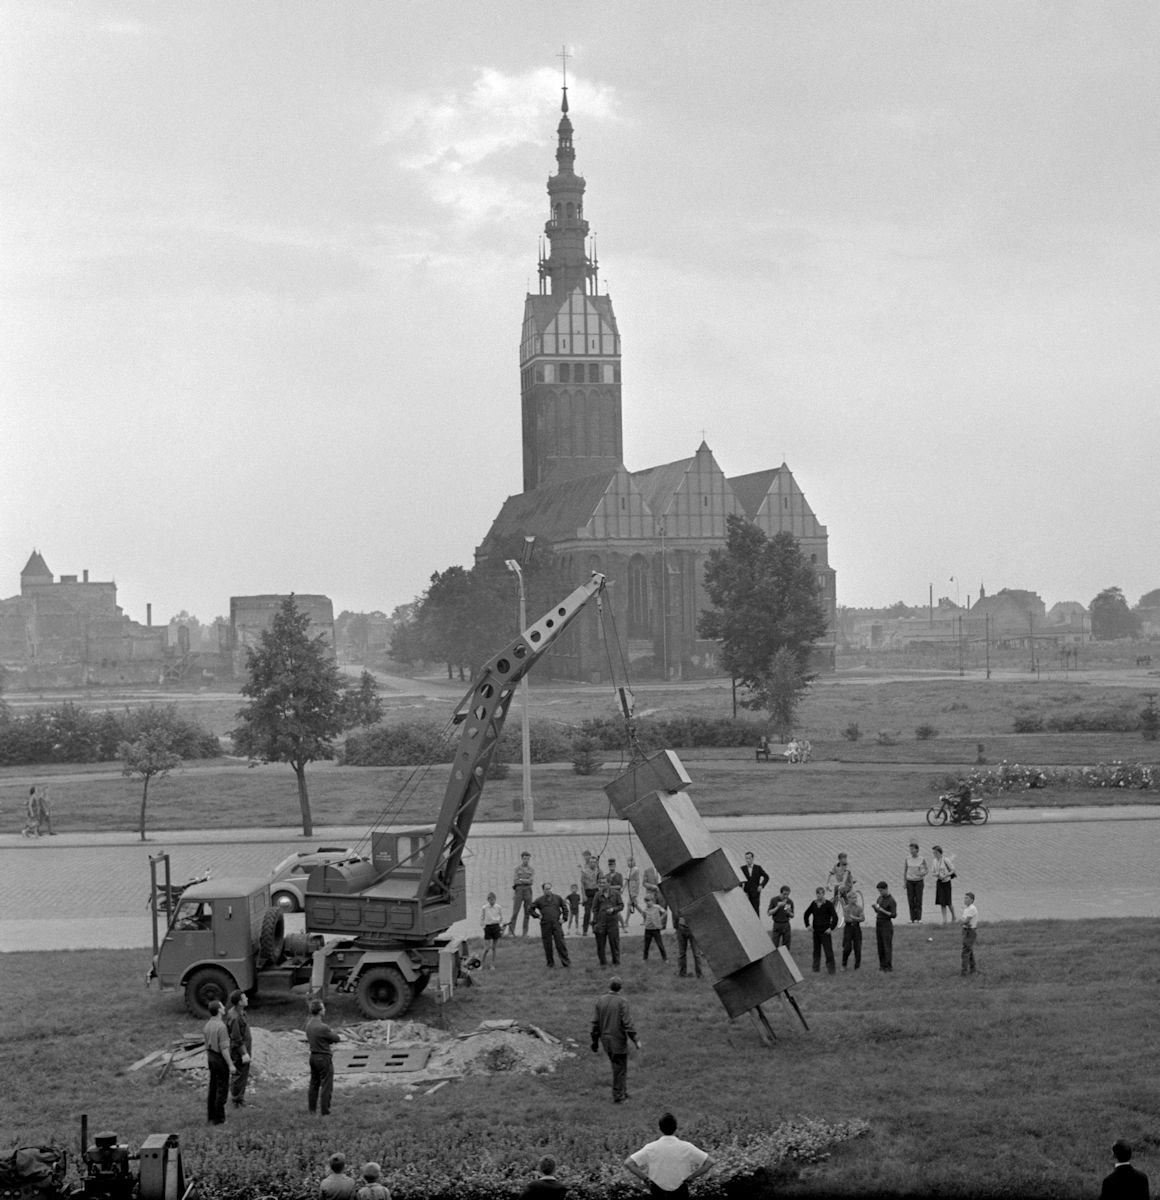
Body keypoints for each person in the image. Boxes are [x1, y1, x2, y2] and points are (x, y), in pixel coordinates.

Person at [624, 1111, 714, 1199]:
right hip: (681, 1191)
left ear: (660, 1128)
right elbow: (710, 1161)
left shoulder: (651, 1147)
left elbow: (629, 1163)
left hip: (657, 1192)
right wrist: (692, 1177)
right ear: (676, 1127)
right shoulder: (687, 1147)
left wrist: (646, 1180)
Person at [590, 976, 640, 1103]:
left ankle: (623, 1091)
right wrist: (635, 1039)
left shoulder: (600, 1000)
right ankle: (618, 1096)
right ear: (620, 988)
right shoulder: (622, 1002)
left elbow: (595, 1023)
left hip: (605, 1040)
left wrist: (595, 1042)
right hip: (617, 1040)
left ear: (609, 986)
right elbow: (627, 1023)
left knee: (619, 1067)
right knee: (620, 1068)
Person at [306, 998, 341, 1116]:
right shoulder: (323, 1027)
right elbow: (335, 1038)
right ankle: (325, 1111)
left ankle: (312, 1110)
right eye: (323, 1008)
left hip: (313, 1057)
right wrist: (335, 1034)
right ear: (320, 1011)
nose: (325, 1009)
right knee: (326, 1085)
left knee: (314, 1084)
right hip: (323, 1058)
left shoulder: (309, 1025)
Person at [203, 999, 235, 1124]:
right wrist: (231, 1064)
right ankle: (219, 1119)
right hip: (219, 1058)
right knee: (222, 1090)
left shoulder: (208, 1025)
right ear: (218, 1010)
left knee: (213, 1087)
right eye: (222, 1006)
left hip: (211, 1056)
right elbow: (224, 1048)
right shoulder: (221, 1027)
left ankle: (211, 1116)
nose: (224, 1007)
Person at [529, 883, 571, 967]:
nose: (548, 890)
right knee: (547, 944)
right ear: (543, 890)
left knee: (560, 943)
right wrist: (537, 916)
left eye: (549, 888)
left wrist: (564, 918)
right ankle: (550, 963)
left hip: (556, 923)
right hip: (545, 924)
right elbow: (530, 908)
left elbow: (565, 908)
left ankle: (566, 963)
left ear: (552, 889)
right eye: (546, 889)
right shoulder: (539, 900)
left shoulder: (558, 898)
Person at [225, 989, 252, 1106]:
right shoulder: (235, 1017)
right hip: (239, 1051)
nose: (247, 999)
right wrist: (244, 1053)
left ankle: (240, 1098)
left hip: (245, 1047)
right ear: (240, 1002)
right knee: (239, 1074)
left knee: (243, 1073)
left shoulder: (241, 1012)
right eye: (245, 998)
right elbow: (236, 1038)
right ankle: (236, 1100)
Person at [803, 886, 837, 974]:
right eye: (818, 894)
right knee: (816, 951)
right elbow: (806, 914)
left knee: (828, 951)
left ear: (824, 894)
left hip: (825, 932)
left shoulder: (828, 904)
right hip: (816, 931)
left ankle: (831, 970)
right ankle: (815, 969)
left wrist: (831, 928)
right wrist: (807, 925)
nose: (820, 896)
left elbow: (835, 917)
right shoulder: (813, 904)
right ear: (816, 894)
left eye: (821, 894)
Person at [591, 883, 623, 967]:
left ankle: (616, 962)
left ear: (608, 884)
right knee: (600, 944)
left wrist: (613, 909)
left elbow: (621, 905)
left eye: (604, 883)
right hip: (601, 922)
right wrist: (595, 922)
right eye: (600, 883)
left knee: (614, 943)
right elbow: (594, 909)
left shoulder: (615, 893)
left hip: (613, 922)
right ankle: (603, 963)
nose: (602, 885)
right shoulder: (598, 895)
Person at [872, 881, 897, 971]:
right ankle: (882, 965)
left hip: (886, 923)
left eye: (882, 890)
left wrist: (882, 910)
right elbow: (878, 911)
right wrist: (875, 908)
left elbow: (893, 915)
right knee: (880, 945)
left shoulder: (891, 900)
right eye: (879, 891)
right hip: (879, 922)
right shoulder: (879, 898)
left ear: (886, 889)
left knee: (887, 945)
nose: (880, 893)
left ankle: (888, 966)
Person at [509, 851, 535, 937]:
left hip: (528, 890)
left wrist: (521, 880)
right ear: (522, 859)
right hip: (519, 890)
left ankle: (525, 933)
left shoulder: (531, 869)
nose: (526, 860)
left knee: (527, 912)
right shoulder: (517, 869)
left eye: (528, 859)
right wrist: (524, 880)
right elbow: (515, 880)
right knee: (515, 911)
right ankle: (511, 932)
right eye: (524, 858)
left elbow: (531, 881)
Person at [903, 842, 929, 922]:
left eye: (913, 849)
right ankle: (912, 918)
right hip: (909, 881)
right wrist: (904, 882)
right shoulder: (907, 858)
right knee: (910, 900)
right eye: (910, 849)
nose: (911, 851)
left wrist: (922, 874)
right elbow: (905, 871)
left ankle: (919, 918)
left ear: (917, 850)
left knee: (918, 900)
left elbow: (927, 870)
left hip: (919, 882)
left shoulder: (922, 859)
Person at [674, 912, 705, 978]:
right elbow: (675, 913)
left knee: (696, 954)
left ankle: (699, 974)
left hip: (692, 927)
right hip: (681, 927)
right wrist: (676, 927)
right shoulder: (678, 903)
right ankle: (682, 974)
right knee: (682, 953)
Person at [930, 845, 956, 924]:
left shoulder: (946, 860)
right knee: (942, 902)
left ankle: (954, 916)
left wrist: (946, 875)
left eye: (935, 853)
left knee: (948, 902)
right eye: (933, 853)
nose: (934, 854)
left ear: (939, 852)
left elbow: (953, 870)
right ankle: (944, 920)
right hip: (939, 882)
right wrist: (937, 874)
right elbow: (932, 872)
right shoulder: (934, 861)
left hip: (947, 882)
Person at [840, 889, 864, 969]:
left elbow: (863, 918)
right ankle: (844, 964)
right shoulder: (846, 908)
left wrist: (854, 917)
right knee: (847, 947)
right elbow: (847, 919)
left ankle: (857, 966)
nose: (855, 900)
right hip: (848, 928)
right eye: (853, 898)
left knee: (858, 947)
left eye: (855, 898)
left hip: (857, 928)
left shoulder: (859, 908)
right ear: (849, 899)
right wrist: (857, 918)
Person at [480, 892, 504, 970]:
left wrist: (500, 927)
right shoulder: (484, 908)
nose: (492, 901)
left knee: (494, 947)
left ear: (495, 899)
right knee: (487, 948)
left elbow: (501, 917)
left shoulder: (498, 907)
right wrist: (483, 926)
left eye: (493, 900)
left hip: (496, 926)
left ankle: (492, 964)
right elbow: (482, 918)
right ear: (488, 900)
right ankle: (481, 964)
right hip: (488, 927)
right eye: (490, 900)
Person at [641, 896, 668, 962]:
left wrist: (660, 919)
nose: (648, 903)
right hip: (648, 929)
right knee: (646, 945)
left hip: (656, 929)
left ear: (652, 901)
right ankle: (645, 958)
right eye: (646, 901)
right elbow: (644, 916)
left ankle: (665, 958)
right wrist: (646, 922)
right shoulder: (645, 909)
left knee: (660, 944)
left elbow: (665, 912)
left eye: (649, 901)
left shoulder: (657, 907)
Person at [580, 851, 601, 934]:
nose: (592, 863)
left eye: (594, 862)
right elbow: (582, 884)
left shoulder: (598, 871)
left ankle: (595, 927)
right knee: (587, 912)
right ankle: (585, 930)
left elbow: (602, 880)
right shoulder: (585, 871)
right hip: (588, 892)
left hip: (596, 891)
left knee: (596, 911)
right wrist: (583, 895)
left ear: (596, 863)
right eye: (591, 862)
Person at [960, 892, 979, 976]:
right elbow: (964, 921)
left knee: (965, 952)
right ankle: (973, 969)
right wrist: (963, 923)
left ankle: (964, 971)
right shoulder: (966, 909)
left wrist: (963, 922)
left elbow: (966, 920)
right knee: (969, 951)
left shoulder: (972, 908)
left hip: (970, 931)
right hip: (966, 930)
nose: (965, 900)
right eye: (965, 898)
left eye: (967, 898)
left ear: (972, 900)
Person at [623, 858, 642, 929]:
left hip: (634, 889)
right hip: (631, 889)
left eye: (629, 861)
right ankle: (645, 915)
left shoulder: (635, 869)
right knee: (635, 905)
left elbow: (627, 878)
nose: (628, 863)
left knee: (629, 904)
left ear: (633, 862)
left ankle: (626, 921)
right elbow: (626, 879)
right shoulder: (630, 869)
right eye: (627, 861)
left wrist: (622, 888)